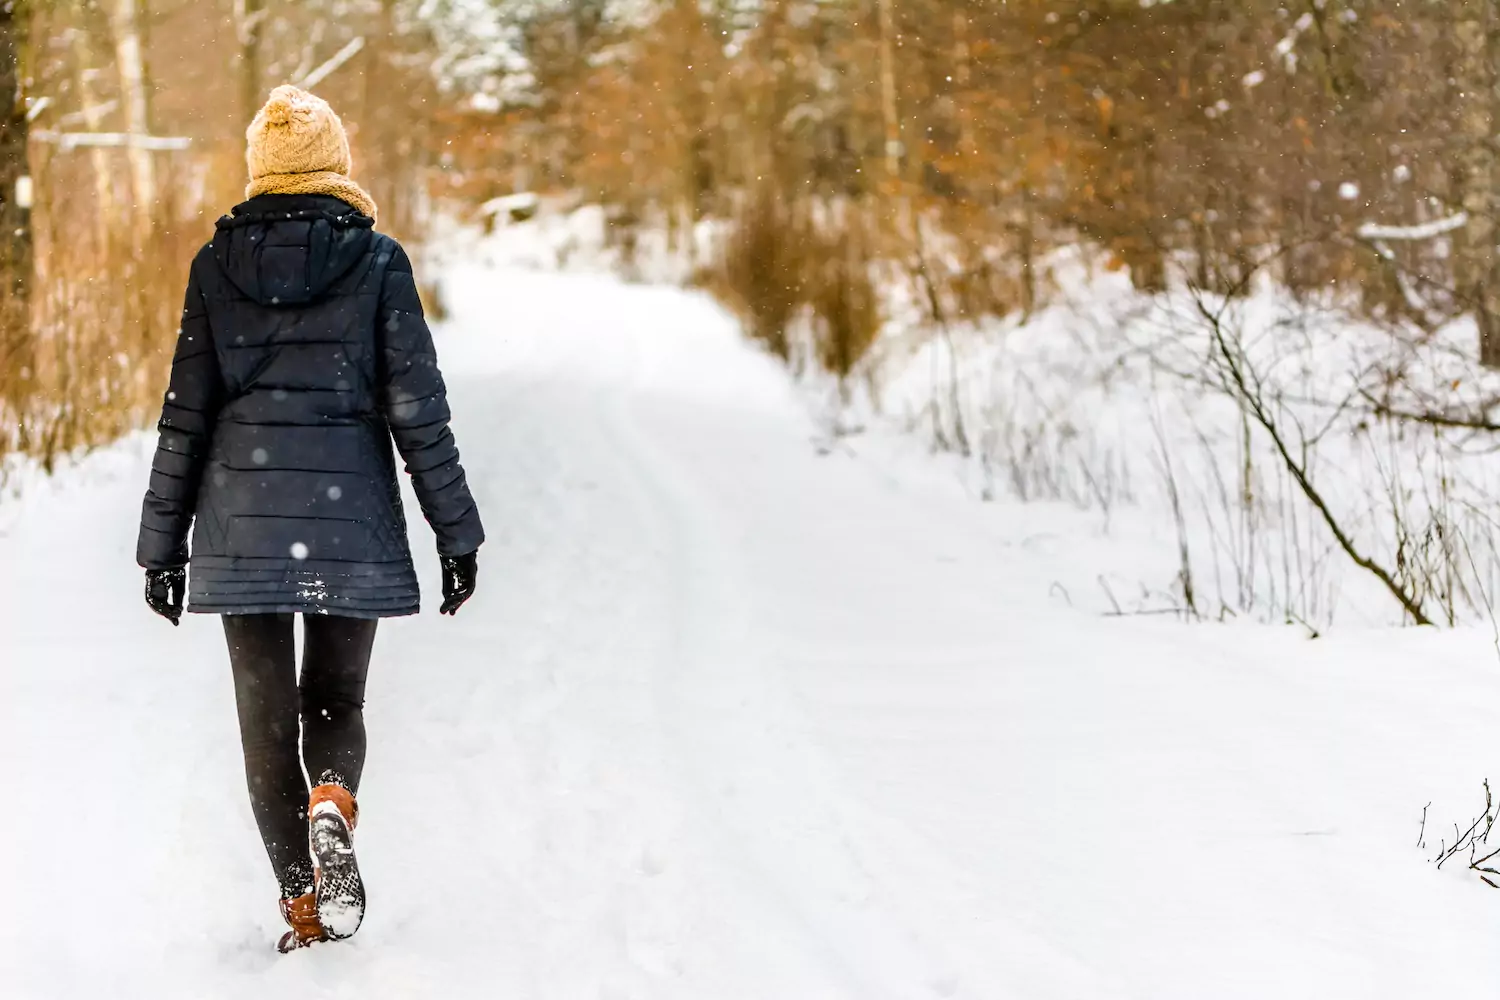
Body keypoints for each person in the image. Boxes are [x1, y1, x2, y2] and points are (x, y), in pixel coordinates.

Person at [135, 85, 485, 953]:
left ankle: (302, 904)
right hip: (348, 521)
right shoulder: (378, 263)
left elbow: (186, 413)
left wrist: (160, 547)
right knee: (334, 696)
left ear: (261, 169)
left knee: (265, 728)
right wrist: (456, 532)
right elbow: (418, 411)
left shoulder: (215, 268)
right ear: (338, 166)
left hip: (240, 525)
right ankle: (333, 797)